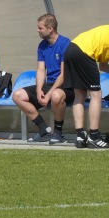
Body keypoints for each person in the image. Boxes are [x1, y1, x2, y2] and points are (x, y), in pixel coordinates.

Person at [13, 15, 74, 144]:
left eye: (40, 28)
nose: (37, 30)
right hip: (50, 84)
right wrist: (39, 89)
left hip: (66, 86)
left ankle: (58, 132)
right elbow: (41, 70)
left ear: (50, 29)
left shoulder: (65, 44)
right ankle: (43, 129)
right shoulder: (42, 46)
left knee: (56, 96)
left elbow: (63, 74)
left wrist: (49, 94)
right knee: (17, 95)